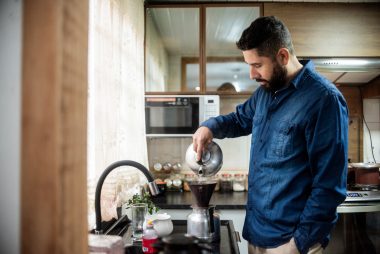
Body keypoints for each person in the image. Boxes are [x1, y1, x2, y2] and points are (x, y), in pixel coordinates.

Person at [192, 16, 348, 254]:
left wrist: (297, 245)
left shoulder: (324, 100)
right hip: (256, 234)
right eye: (248, 65)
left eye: (257, 65)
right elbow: (240, 119)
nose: (252, 75)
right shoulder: (266, 91)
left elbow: (329, 187)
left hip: (291, 241)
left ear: (283, 56)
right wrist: (210, 127)